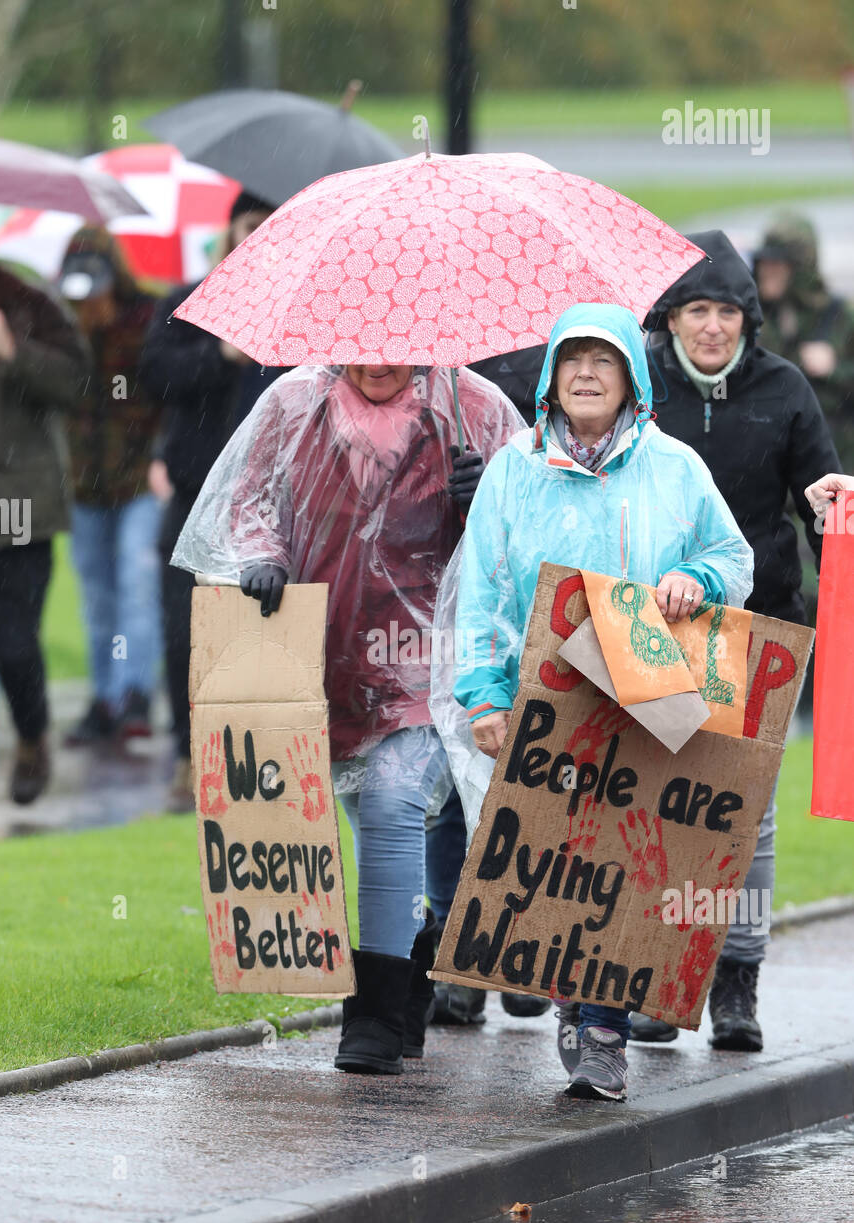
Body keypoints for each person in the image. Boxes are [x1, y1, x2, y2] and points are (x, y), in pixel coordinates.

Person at [438, 302, 752, 1102]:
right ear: (549, 377)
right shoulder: (513, 469)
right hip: (542, 707)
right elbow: (480, 594)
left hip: (643, 705)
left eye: (603, 360)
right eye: (571, 359)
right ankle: (573, 1010)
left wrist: (700, 579)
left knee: (622, 863)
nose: (585, 374)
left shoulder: (675, 468)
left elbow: (732, 554)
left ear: (631, 379)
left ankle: (600, 1029)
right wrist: (483, 699)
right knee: (555, 867)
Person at [172, 360, 523, 1075]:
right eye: (361, 345)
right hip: (322, 648)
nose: (378, 360)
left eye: (395, 345)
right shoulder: (292, 404)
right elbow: (251, 503)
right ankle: (413, 964)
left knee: (394, 801)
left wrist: (484, 494)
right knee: (370, 820)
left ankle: (373, 1019)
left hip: (427, 654)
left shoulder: (473, 405)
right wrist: (261, 557)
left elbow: (530, 520)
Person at [640, 229, 841, 1051]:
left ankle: (736, 985)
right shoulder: (640, 386)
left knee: (745, 814)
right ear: (672, 318)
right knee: (659, 805)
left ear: (748, 318)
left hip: (764, 626)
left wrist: (838, 517)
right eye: (697, 309)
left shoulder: (784, 387)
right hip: (656, 626)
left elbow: (823, 508)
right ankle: (655, 976)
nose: (712, 326)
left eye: (727, 310)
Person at [140, 191, 281, 811]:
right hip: (197, 498)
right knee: (182, 632)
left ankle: (256, 756)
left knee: (263, 636)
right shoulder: (191, 303)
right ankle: (185, 749)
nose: (254, 238)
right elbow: (154, 375)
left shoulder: (297, 311)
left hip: (273, 506)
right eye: (246, 226)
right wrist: (219, 354)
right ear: (227, 231)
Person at [0, 264, 90, 803]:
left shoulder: (28, 302)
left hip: (16, 505)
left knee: (12, 643)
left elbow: (79, 383)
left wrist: (10, 347)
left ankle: (32, 739)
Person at [58, 227, 161, 744]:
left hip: (140, 480)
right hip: (84, 486)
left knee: (137, 587)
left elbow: (162, 391)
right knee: (97, 598)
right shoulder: (64, 328)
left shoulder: (147, 319)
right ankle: (103, 697)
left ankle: (134, 693)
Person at [754, 213, 854, 472]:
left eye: (777, 263)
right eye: (763, 262)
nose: (767, 270)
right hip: (773, 453)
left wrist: (833, 371)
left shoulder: (841, 315)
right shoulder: (753, 317)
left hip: (836, 457)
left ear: (799, 267)